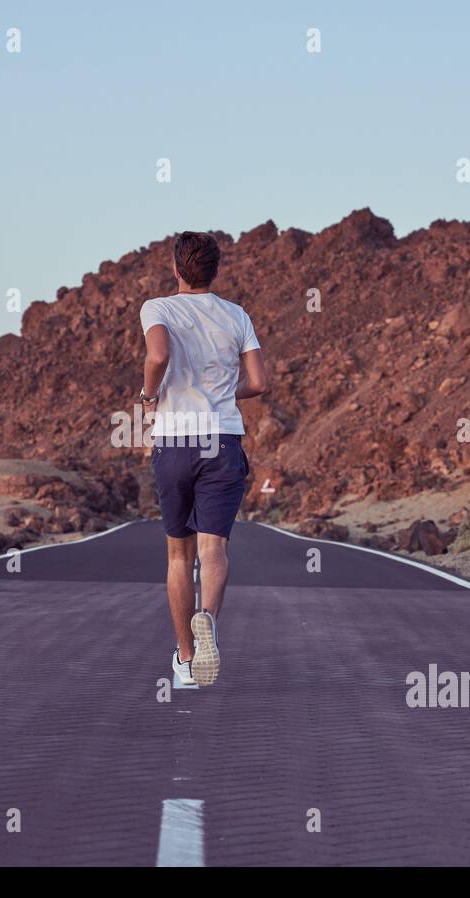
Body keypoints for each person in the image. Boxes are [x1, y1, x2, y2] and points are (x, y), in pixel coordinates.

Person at [138, 231, 268, 687]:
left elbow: (158, 354)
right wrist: (224, 393)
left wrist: (148, 396)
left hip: (175, 440)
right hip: (222, 438)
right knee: (214, 550)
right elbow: (259, 382)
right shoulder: (237, 315)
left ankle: (186, 659)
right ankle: (207, 618)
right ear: (215, 271)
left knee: (179, 553)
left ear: (176, 269)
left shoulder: (158, 308)